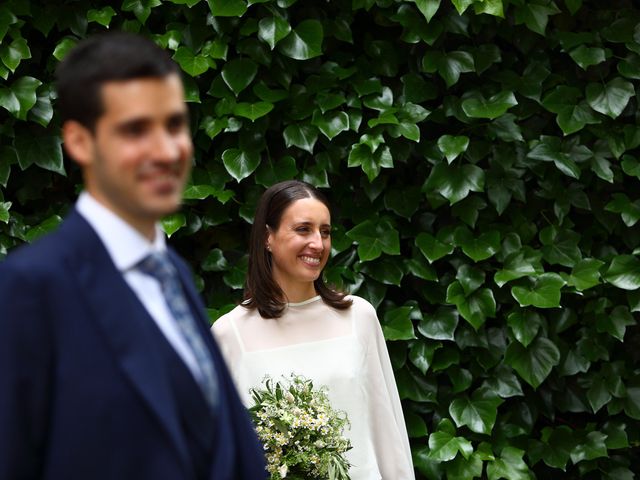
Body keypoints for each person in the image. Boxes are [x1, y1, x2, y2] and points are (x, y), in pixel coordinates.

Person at [0, 32, 266, 480]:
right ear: (80, 142)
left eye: (175, 125)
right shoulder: (30, 287)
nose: (166, 151)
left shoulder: (172, 272)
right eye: (135, 130)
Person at [212, 180, 415, 479]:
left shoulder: (358, 317)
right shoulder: (231, 334)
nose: (318, 244)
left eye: (325, 232)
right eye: (303, 229)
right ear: (268, 237)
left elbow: (387, 430)